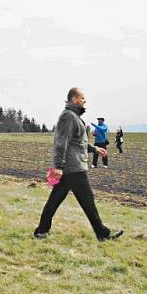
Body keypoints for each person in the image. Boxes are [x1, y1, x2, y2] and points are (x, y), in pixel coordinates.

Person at [34, 87, 123, 241]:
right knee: (87, 200)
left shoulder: (74, 116)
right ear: (74, 99)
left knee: (55, 199)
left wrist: (95, 149)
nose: (84, 101)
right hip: (72, 168)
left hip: (70, 167)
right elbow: (61, 143)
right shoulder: (68, 116)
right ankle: (102, 233)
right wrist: (59, 167)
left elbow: (78, 142)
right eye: (82, 98)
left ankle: (41, 231)